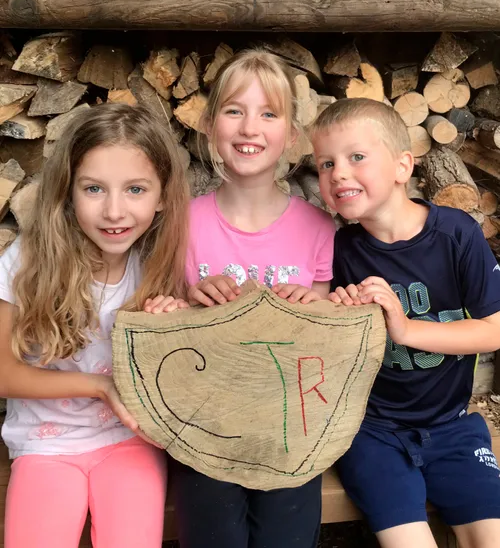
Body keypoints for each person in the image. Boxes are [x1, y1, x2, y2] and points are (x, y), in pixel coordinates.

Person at [146, 48, 334, 548]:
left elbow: (324, 343)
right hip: (203, 430)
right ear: (209, 125)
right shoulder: (182, 221)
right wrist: (186, 298)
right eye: (235, 110)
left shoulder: (318, 228)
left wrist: (311, 310)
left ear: (291, 136)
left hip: (290, 432)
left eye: (268, 114)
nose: (250, 128)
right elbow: (159, 326)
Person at [309, 97, 500, 548]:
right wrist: (340, 314)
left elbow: (495, 327)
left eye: (357, 157)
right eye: (325, 163)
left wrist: (406, 329)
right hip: (370, 432)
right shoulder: (338, 249)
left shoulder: (456, 233)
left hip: (452, 425)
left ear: (402, 165)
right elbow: (321, 339)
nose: (338, 173)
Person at [0, 103, 189, 548]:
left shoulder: (156, 265)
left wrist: (171, 325)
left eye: (136, 189)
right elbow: (4, 373)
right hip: (45, 445)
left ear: (162, 196)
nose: (114, 211)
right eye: (94, 189)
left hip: (131, 442)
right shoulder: (26, 262)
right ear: (68, 192)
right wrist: (99, 387)